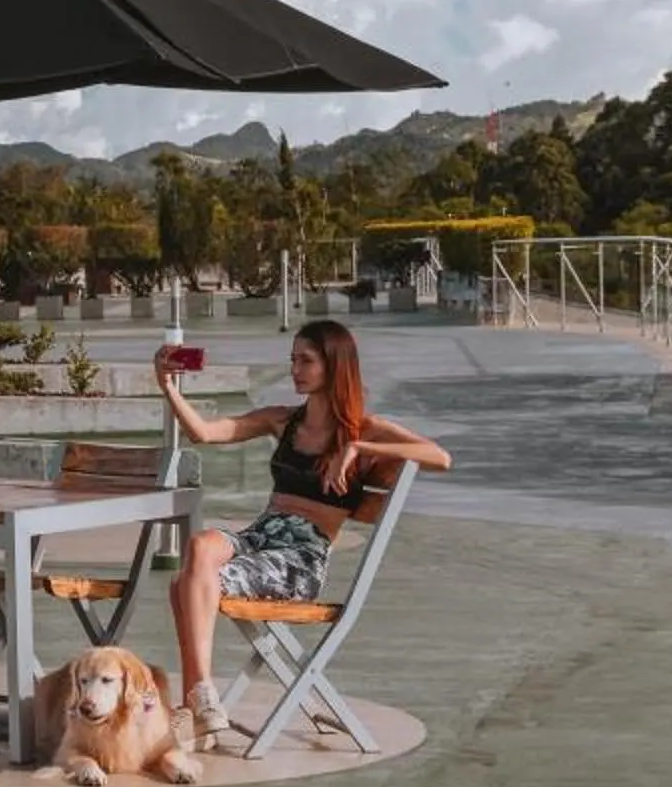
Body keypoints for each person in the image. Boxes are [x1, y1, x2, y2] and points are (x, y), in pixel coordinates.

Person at [151, 319, 449, 752]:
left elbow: (439, 457)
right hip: (260, 537)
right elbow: (206, 433)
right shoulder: (283, 420)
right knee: (198, 547)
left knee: (187, 586)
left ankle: (194, 706)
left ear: (334, 366)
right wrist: (168, 387)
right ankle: (203, 699)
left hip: (299, 559)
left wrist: (359, 449)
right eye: (293, 359)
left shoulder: (365, 429)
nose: (295, 369)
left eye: (305, 360)